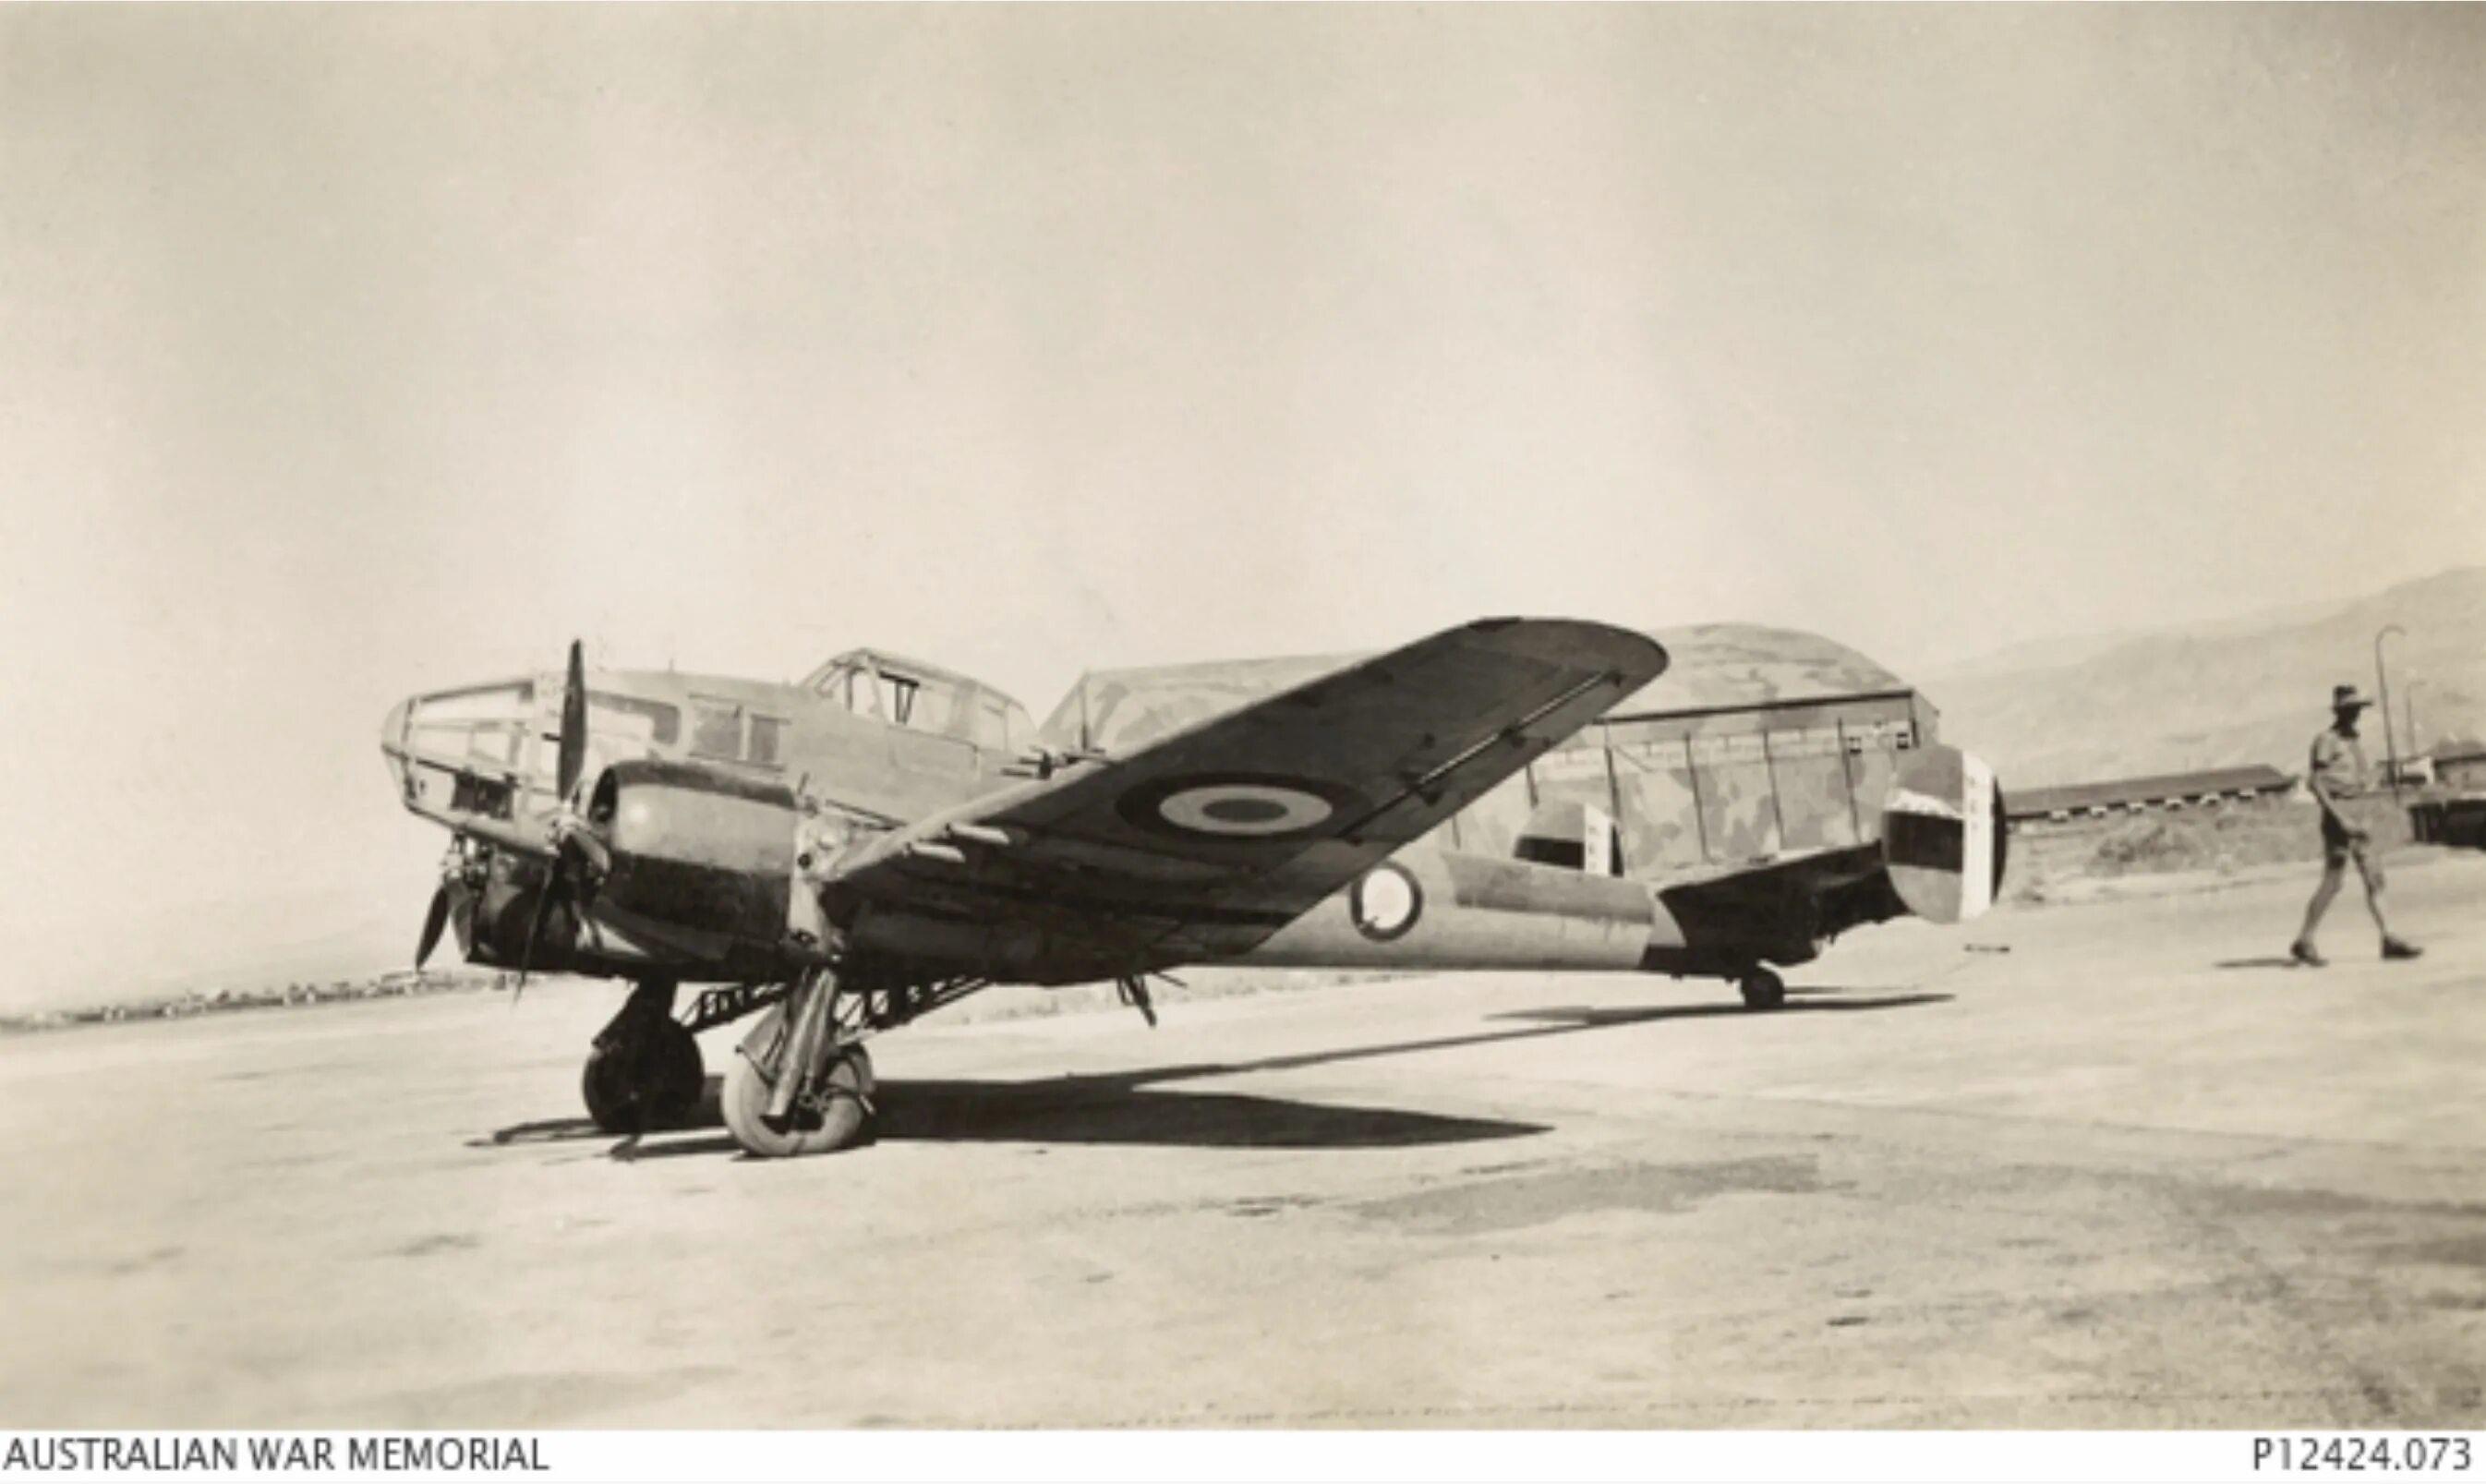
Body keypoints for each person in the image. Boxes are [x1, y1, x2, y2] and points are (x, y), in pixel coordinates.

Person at [2292, 683, 2421, 966]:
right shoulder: (2327, 740)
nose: (2355, 714)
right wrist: (2341, 818)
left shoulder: (2355, 742)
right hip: (2339, 815)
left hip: (2360, 813)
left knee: (2375, 878)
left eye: (2358, 709)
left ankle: (2389, 937)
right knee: (2333, 881)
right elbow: (2316, 783)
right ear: (2339, 711)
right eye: (2350, 709)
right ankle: (2305, 940)